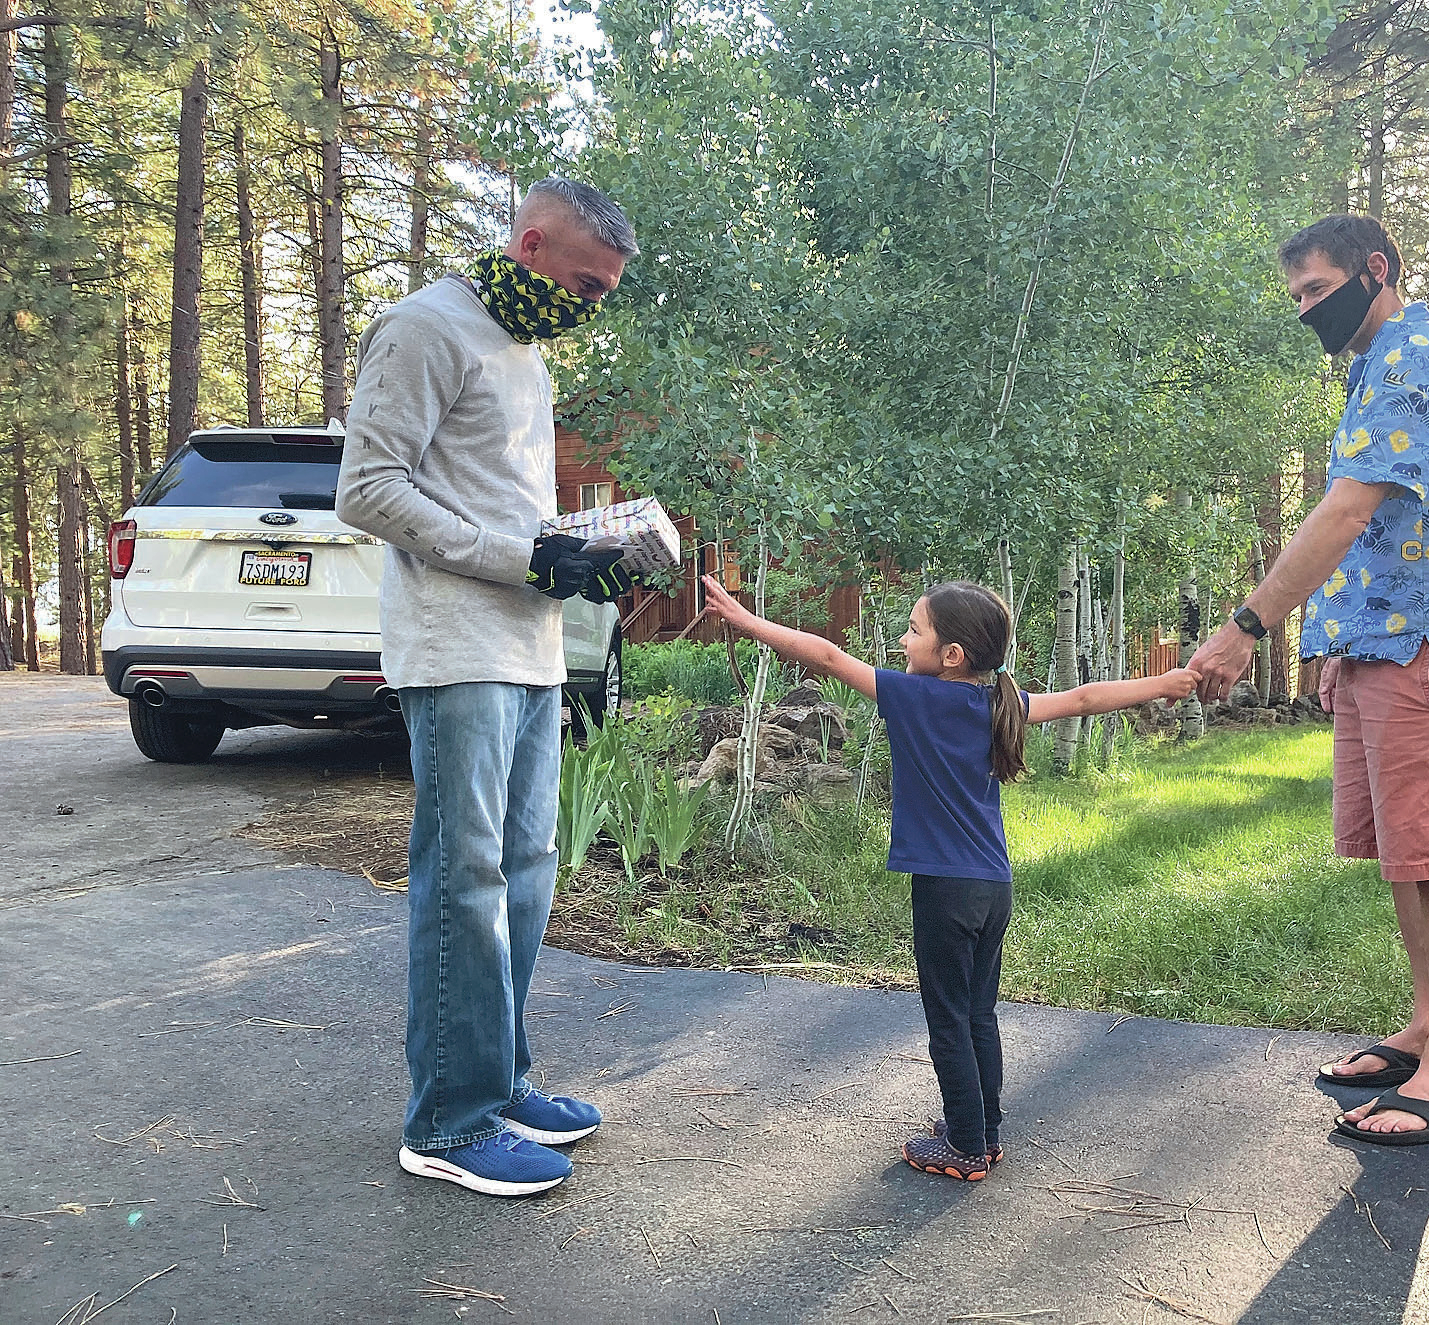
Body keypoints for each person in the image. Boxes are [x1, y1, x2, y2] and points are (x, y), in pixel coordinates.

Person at [337, 177, 640, 1197]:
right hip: (456, 645)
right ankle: (446, 1121)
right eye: (586, 284)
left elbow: (507, 510)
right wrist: (524, 558)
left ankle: (499, 1081)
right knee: (463, 878)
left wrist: (577, 553)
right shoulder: (425, 326)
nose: (591, 304)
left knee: (525, 869)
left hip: (529, 648)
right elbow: (368, 489)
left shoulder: (524, 350)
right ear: (530, 242)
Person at [1188, 214, 1429, 1146]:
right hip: (1382, 640)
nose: (1305, 312)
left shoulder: (1418, 355)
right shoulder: (1376, 365)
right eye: (1295, 296)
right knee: (1400, 852)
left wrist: (1247, 625)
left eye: (1316, 291)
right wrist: (1341, 636)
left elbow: (1345, 510)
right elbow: (1373, 534)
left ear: (1376, 271)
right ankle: (1423, 1028)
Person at [701, 574, 1200, 1178]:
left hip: (944, 888)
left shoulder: (914, 698)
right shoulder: (1000, 702)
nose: (904, 641)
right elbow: (1086, 698)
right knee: (978, 1014)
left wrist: (748, 621)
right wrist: (1168, 683)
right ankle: (982, 1128)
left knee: (947, 1018)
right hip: (994, 886)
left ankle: (964, 1147)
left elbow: (828, 656)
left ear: (951, 655)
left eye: (915, 632)